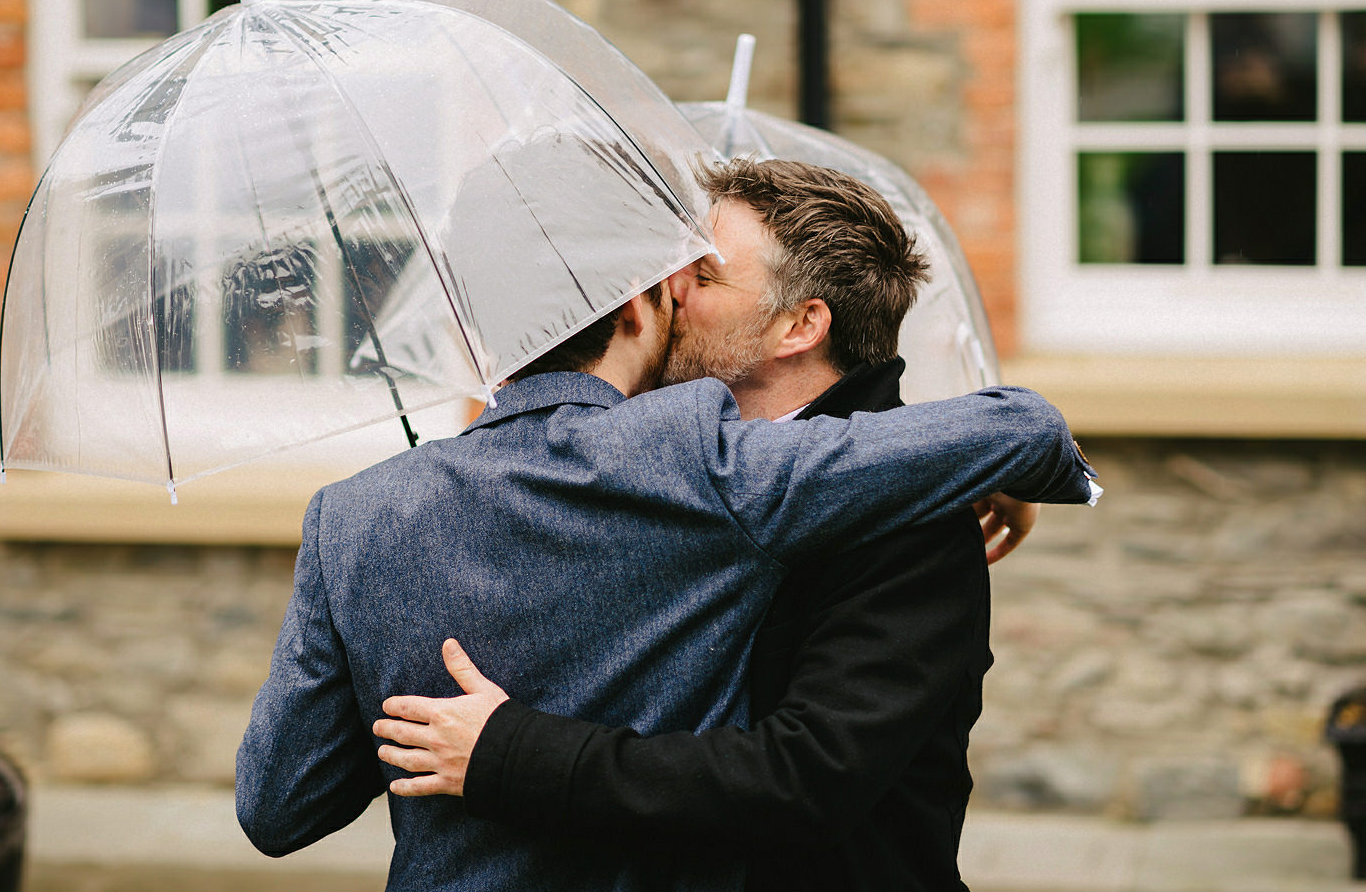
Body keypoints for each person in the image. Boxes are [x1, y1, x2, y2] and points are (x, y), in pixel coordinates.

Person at [236, 159, 1098, 892]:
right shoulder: (671, 459)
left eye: (706, 272)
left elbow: (805, 781)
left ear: (801, 324)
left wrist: (508, 751)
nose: (671, 285)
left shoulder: (899, 514)